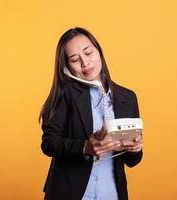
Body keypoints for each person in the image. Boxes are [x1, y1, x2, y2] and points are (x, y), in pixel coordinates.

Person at [39, 27, 143, 200]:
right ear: (67, 67)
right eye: (74, 59)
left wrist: (135, 148)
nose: (85, 63)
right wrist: (85, 147)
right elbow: (49, 142)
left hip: (112, 193)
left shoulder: (128, 97)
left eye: (88, 53)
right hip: (71, 193)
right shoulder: (65, 96)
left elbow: (133, 161)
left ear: (99, 51)